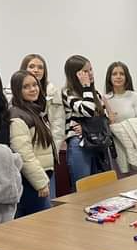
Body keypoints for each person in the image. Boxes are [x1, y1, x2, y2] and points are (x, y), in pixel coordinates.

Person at [20, 54, 65, 199]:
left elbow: (58, 123)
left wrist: (53, 149)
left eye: (40, 67)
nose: (36, 70)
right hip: (28, 156)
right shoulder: (13, 93)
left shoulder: (52, 91)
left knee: (49, 200)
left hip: (47, 154)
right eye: (31, 66)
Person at [9, 70, 54, 217]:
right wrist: (40, 182)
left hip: (41, 176)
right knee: (43, 223)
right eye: (26, 87)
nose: (33, 89)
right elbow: (24, 154)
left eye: (35, 85)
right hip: (31, 181)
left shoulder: (34, 110)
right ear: (17, 90)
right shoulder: (17, 116)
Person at [62, 55, 109, 189]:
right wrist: (86, 87)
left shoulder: (96, 94)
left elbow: (104, 119)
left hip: (98, 142)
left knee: (100, 187)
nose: (90, 74)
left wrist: (87, 128)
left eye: (91, 70)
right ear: (75, 74)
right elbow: (87, 110)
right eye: (85, 71)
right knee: (83, 187)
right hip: (79, 144)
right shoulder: (68, 93)